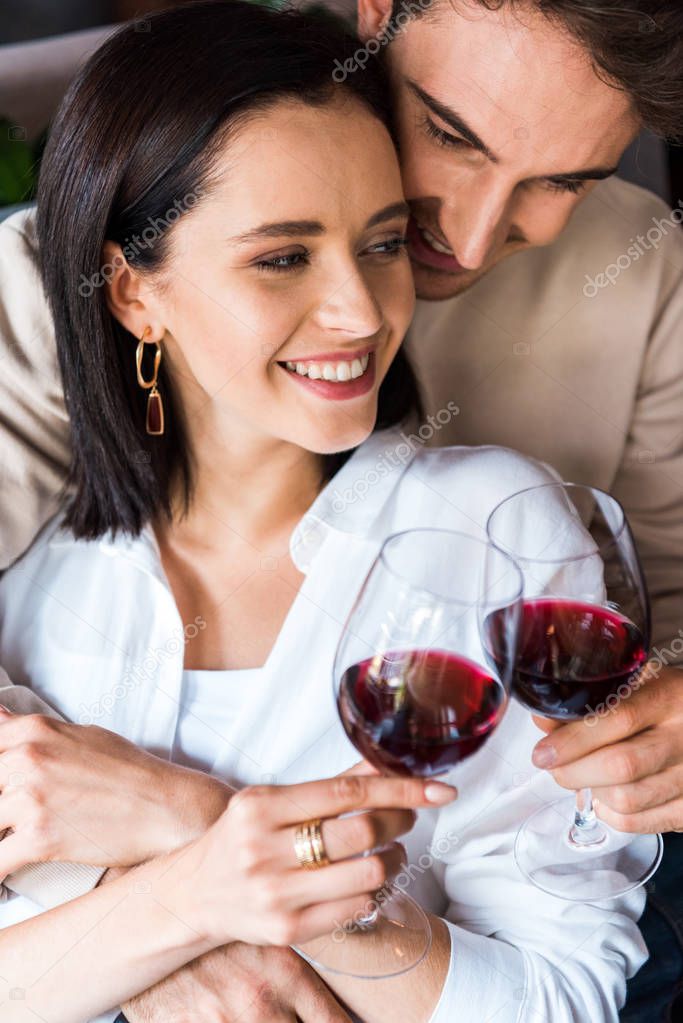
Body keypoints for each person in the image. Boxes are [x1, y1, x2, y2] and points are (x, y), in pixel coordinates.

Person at [0, 0, 680, 1019]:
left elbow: (657, 602)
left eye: (560, 182)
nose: (468, 229)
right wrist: (170, 906)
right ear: (130, 293)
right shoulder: (50, 564)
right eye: (450, 138)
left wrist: (196, 835)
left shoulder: (623, 299)